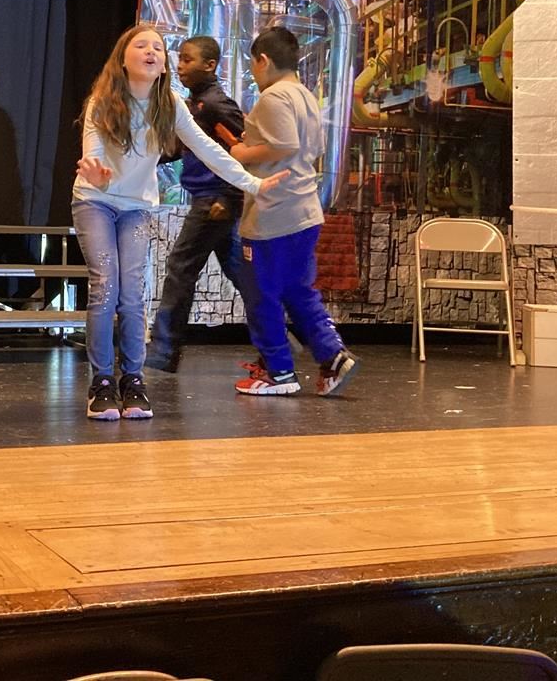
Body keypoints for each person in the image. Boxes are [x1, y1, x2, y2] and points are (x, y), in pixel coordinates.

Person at [73, 24, 286, 421]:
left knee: (133, 293)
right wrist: (96, 172)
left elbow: (210, 150)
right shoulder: (102, 101)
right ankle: (102, 381)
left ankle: (132, 380)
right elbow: (93, 153)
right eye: (142, 45)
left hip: (136, 206)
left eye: (159, 47)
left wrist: (253, 184)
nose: (152, 51)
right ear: (123, 57)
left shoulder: (169, 103)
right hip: (96, 202)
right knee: (106, 284)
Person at [227, 25, 359, 397]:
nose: (253, 72)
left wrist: (240, 153)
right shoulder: (305, 96)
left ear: (264, 60)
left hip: (274, 214)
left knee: (261, 294)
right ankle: (332, 357)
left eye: (253, 64)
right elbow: (309, 146)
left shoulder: (273, 98)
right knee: (299, 292)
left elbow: (283, 144)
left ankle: (278, 371)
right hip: (304, 211)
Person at [143, 35, 254, 373]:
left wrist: (227, 196)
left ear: (210, 65)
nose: (180, 67)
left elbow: (239, 153)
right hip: (211, 201)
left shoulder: (216, 105)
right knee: (244, 277)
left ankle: (163, 352)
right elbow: (177, 149)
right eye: (179, 60)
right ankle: (283, 338)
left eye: (187, 60)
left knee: (180, 268)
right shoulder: (194, 105)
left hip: (214, 202)